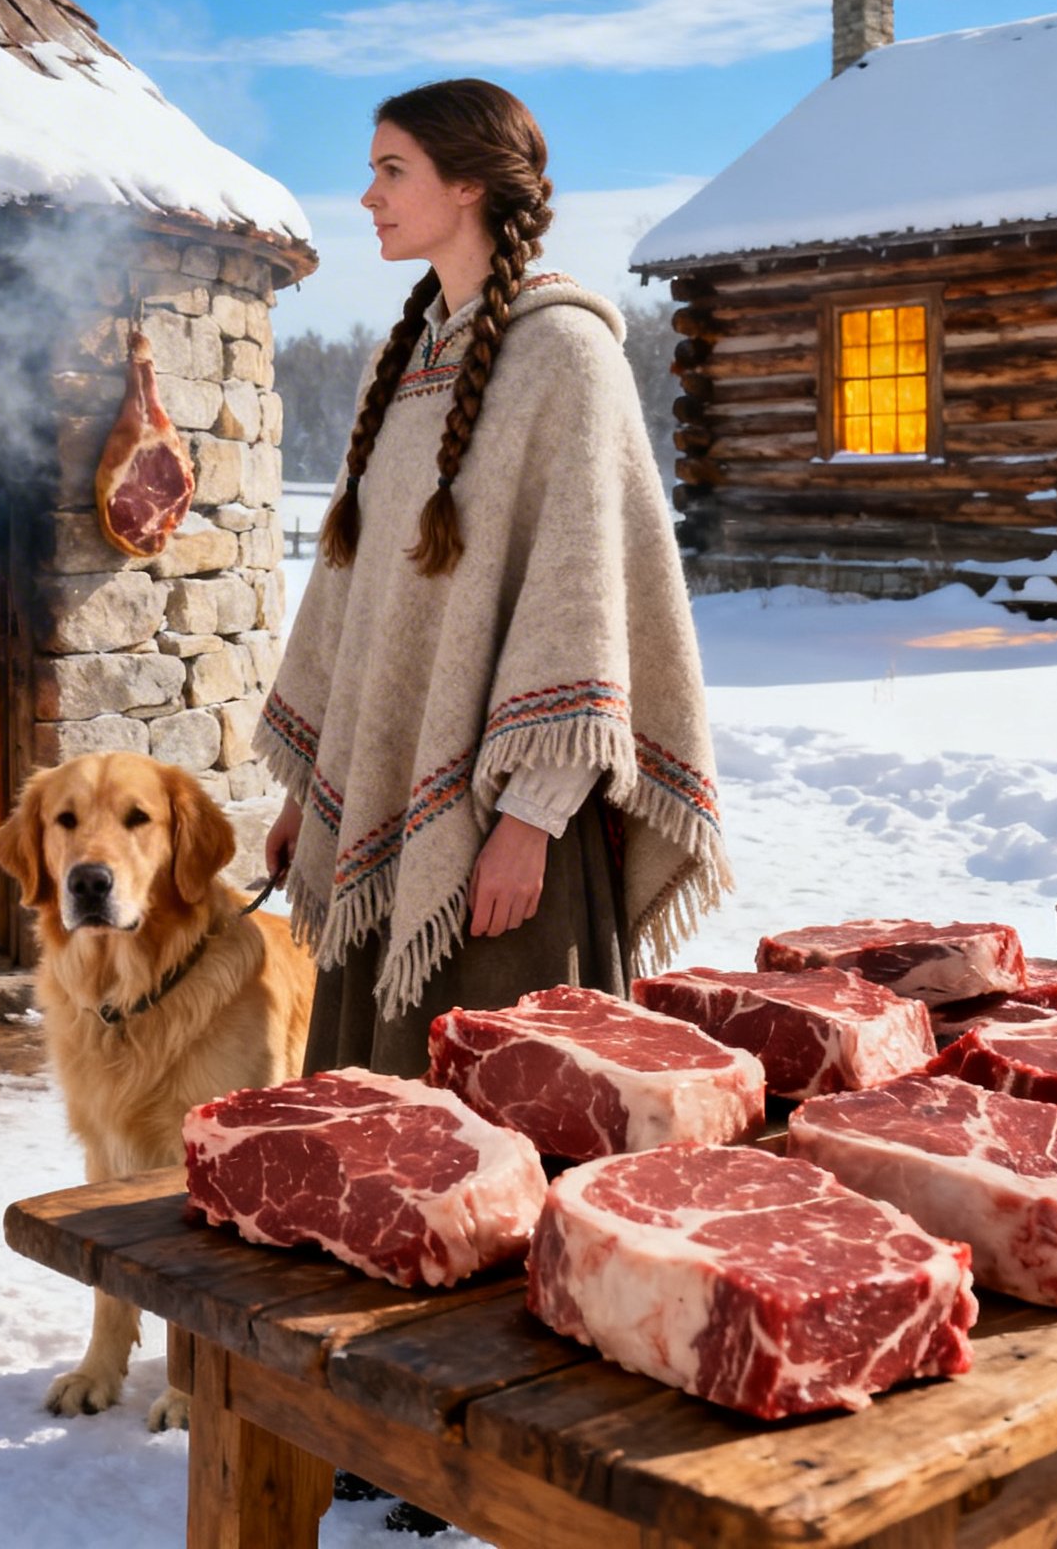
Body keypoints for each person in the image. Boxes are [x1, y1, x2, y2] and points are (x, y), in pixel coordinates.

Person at [258, 78, 730, 1078]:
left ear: (466, 182)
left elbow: (584, 605)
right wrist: (314, 789)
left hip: (508, 842)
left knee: (507, 1131)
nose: (367, 195)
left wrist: (527, 823)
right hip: (379, 826)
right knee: (381, 1152)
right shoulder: (402, 363)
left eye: (392, 170)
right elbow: (355, 593)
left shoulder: (564, 353)